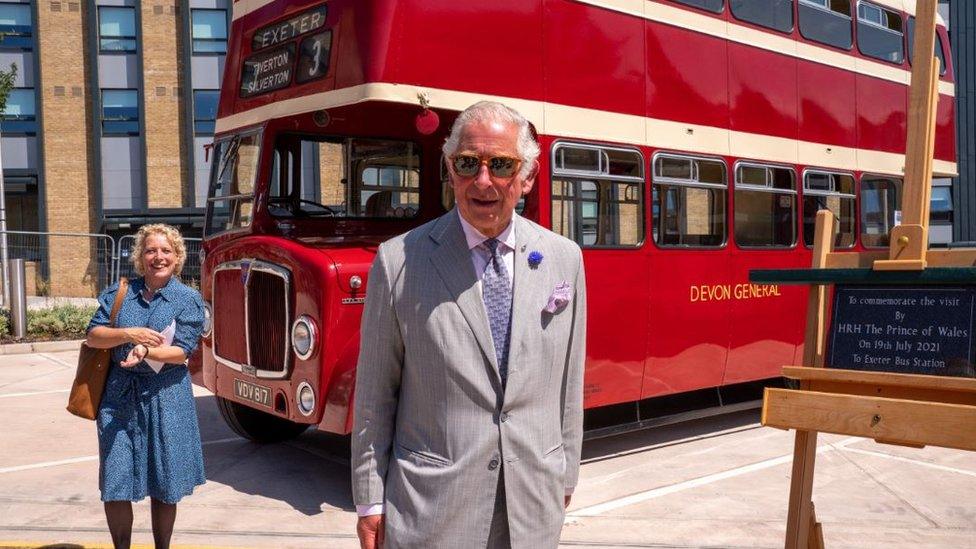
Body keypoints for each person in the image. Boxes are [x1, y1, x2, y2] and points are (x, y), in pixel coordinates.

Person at [352, 101, 587, 549]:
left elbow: (568, 383)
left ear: (528, 178)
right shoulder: (399, 259)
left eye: (501, 165)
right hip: (433, 509)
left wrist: (566, 471)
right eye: (467, 164)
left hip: (533, 504)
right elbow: (374, 394)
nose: (483, 181)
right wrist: (370, 500)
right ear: (449, 169)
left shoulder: (564, 259)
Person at [85, 223, 206, 549]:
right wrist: (129, 334)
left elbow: (183, 350)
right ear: (140, 256)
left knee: (165, 479)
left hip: (166, 397)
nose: (158, 257)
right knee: (116, 478)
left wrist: (148, 351)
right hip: (118, 397)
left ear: (177, 256)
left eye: (166, 250)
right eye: (151, 250)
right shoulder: (120, 293)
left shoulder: (187, 299)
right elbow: (94, 336)